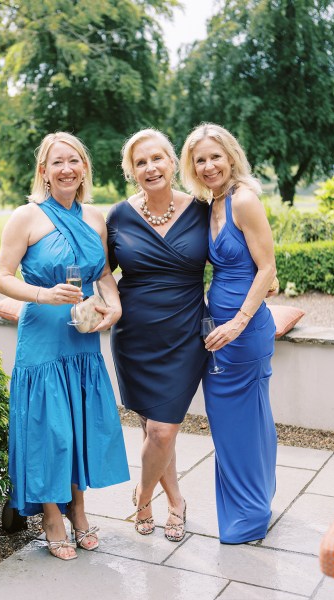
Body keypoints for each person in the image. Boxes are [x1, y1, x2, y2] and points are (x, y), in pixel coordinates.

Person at [0, 131, 129, 561]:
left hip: (83, 337)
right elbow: (2, 277)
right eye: (57, 162)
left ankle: (80, 509)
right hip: (43, 337)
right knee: (49, 428)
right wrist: (41, 295)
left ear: (84, 168)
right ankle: (51, 515)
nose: (67, 168)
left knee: (78, 424)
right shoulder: (26, 216)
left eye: (74, 160)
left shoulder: (94, 218)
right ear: (44, 172)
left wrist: (115, 308)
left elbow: (103, 274)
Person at [107, 128, 209, 542]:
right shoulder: (118, 216)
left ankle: (143, 498)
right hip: (134, 336)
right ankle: (177, 501)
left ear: (172, 162)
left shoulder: (204, 209)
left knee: (164, 429)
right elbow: (101, 272)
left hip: (185, 333)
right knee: (153, 430)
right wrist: (109, 303)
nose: (150, 168)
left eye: (157, 159)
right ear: (131, 171)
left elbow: (236, 255)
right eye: (141, 162)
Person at [180, 123, 277, 544]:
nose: (208, 166)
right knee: (239, 422)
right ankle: (255, 500)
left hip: (245, 329)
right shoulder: (210, 203)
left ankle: (250, 514)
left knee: (242, 422)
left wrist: (237, 322)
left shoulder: (245, 201)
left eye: (214, 156)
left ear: (231, 156)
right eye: (200, 159)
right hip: (217, 332)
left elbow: (269, 270)